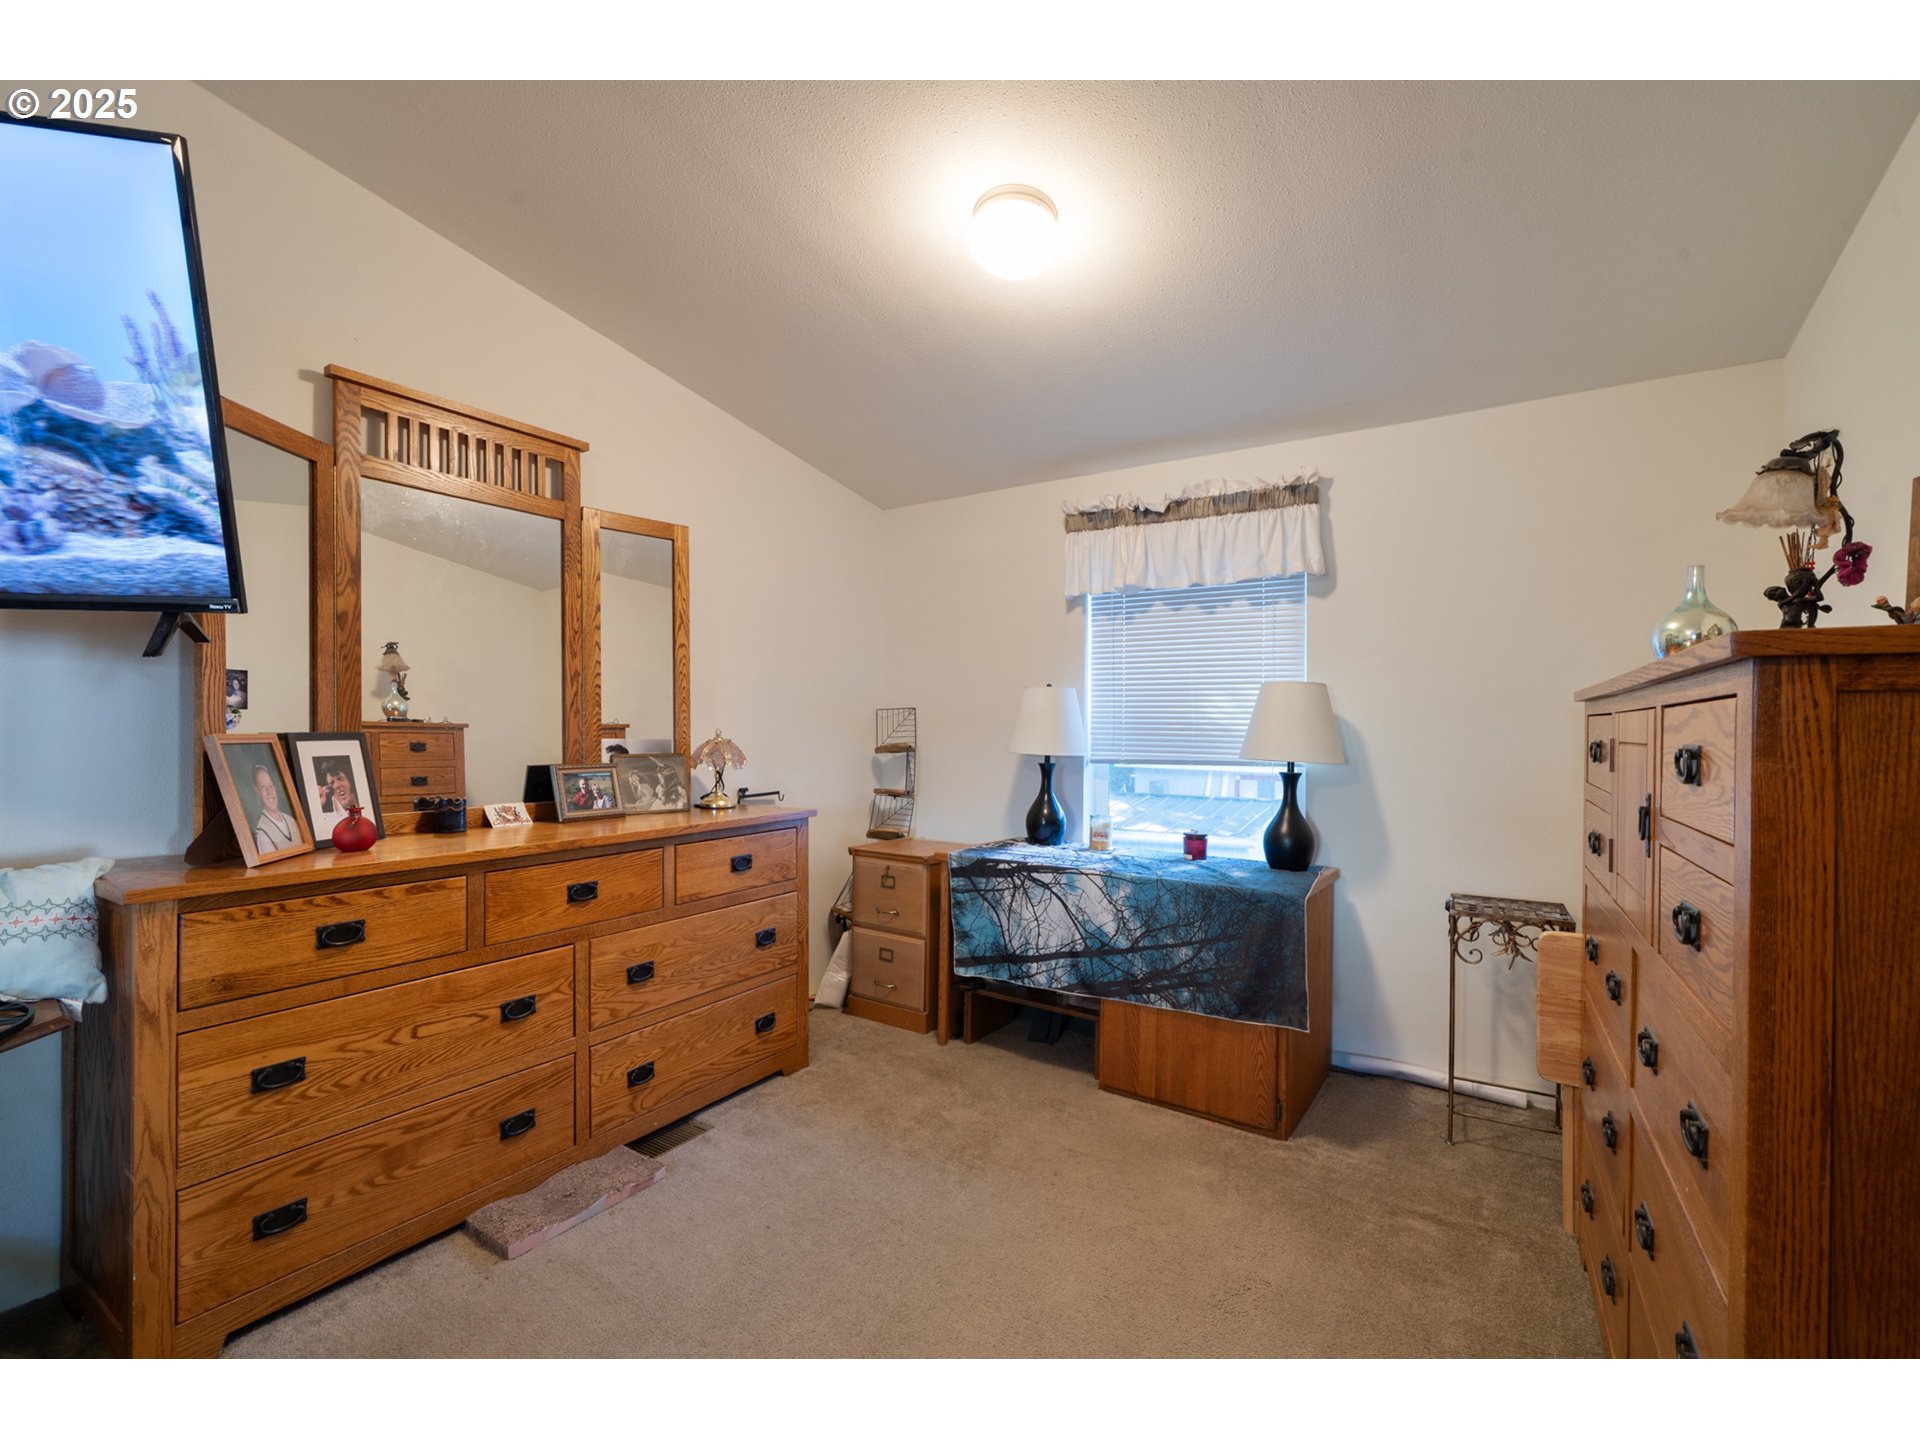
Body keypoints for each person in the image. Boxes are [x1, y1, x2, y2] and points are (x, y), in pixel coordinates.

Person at [250, 761, 298, 854]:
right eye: (263, 787)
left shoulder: (291, 820)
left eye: (271, 785)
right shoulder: (263, 832)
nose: (269, 792)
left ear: (275, 787)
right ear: (257, 791)